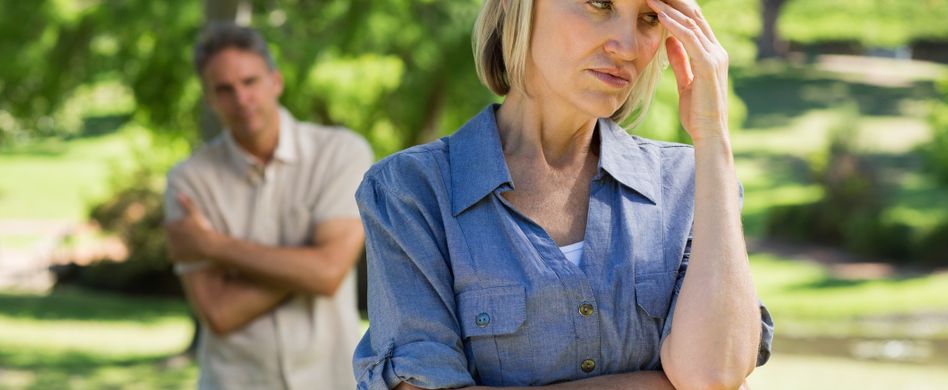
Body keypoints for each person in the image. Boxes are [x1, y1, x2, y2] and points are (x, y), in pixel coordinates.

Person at [353, 0, 774, 389]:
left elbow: (712, 375)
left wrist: (712, 134)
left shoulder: (690, 184)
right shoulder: (410, 192)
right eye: (599, 3)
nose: (628, 47)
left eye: (649, 18)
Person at [164, 23, 373, 390]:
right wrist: (307, 263)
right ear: (209, 99)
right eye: (224, 89)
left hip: (332, 379)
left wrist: (213, 245)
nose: (241, 98)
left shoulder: (341, 153)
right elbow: (219, 313)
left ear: (276, 81)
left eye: (250, 81)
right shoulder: (188, 181)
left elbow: (328, 273)